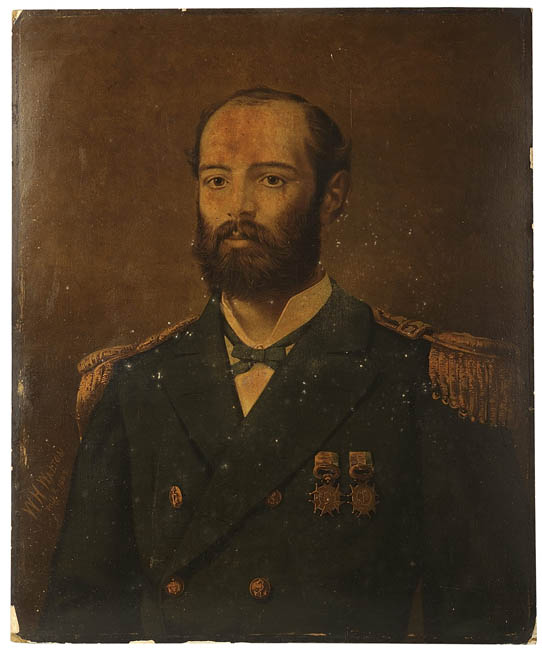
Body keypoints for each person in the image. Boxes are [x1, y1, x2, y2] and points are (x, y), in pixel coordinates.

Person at [39, 88, 533, 643]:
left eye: (271, 179)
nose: (237, 209)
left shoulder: (425, 379)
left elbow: (490, 626)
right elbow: (78, 622)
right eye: (216, 180)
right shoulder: (133, 384)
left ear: (332, 197)